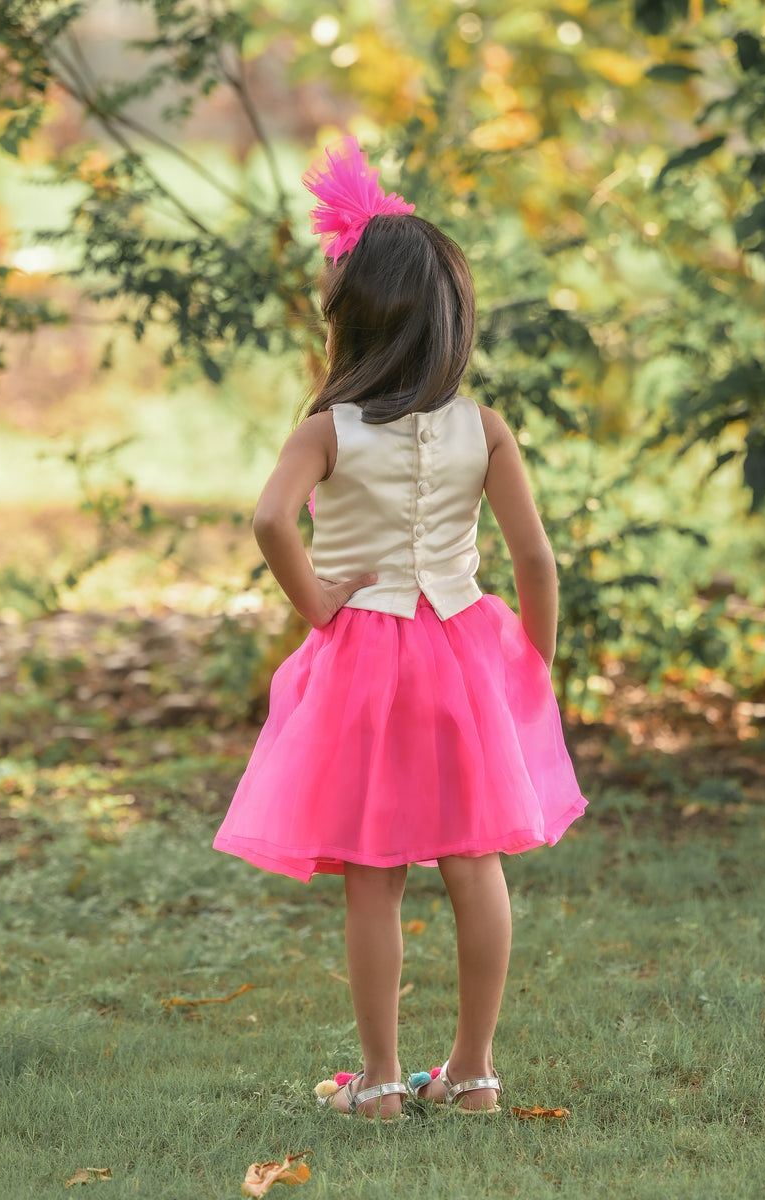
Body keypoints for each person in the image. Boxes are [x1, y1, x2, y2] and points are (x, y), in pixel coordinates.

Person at [212, 137, 586, 1120]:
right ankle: (474, 1071)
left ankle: (378, 1082)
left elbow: (267, 519)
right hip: (464, 649)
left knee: (374, 872)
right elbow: (537, 562)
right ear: (448, 320)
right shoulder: (483, 426)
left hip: (365, 659)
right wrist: (529, 669)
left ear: (351, 321)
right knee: (474, 857)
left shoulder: (330, 428)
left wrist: (316, 601)